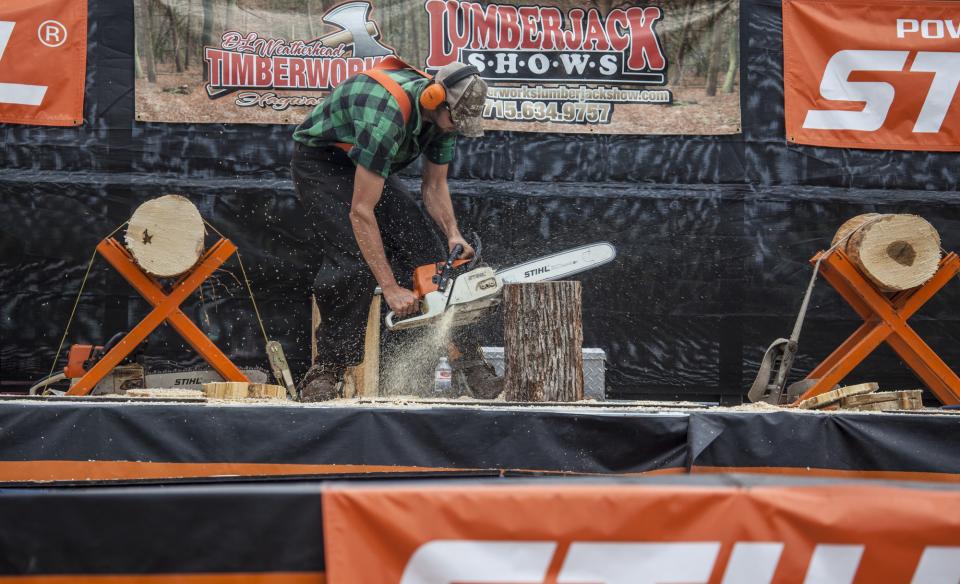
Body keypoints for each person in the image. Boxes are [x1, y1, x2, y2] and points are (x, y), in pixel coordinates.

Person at [290, 57, 502, 402]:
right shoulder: (386, 117)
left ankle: (471, 364)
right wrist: (389, 286)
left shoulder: (442, 120)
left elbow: (434, 186)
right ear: (434, 98)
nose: (454, 127)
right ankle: (326, 370)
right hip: (322, 164)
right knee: (352, 263)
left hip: (370, 166)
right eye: (454, 119)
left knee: (434, 261)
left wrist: (453, 233)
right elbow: (361, 211)